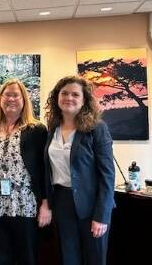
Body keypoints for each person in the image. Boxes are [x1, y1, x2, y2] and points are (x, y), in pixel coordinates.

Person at [0, 78, 51, 265]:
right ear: (0, 99)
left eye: (16, 95)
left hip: (24, 203)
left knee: (26, 258)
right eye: (7, 95)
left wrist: (46, 203)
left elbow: (45, 169)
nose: (11, 99)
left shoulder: (37, 130)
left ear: (24, 100)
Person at [44, 76, 115, 265]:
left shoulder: (97, 128)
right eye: (64, 93)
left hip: (92, 205)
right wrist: (47, 203)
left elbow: (107, 175)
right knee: (69, 258)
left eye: (75, 94)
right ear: (57, 97)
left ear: (84, 100)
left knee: (95, 259)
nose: (69, 97)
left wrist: (101, 216)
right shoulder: (52, 129)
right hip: (62, 203)